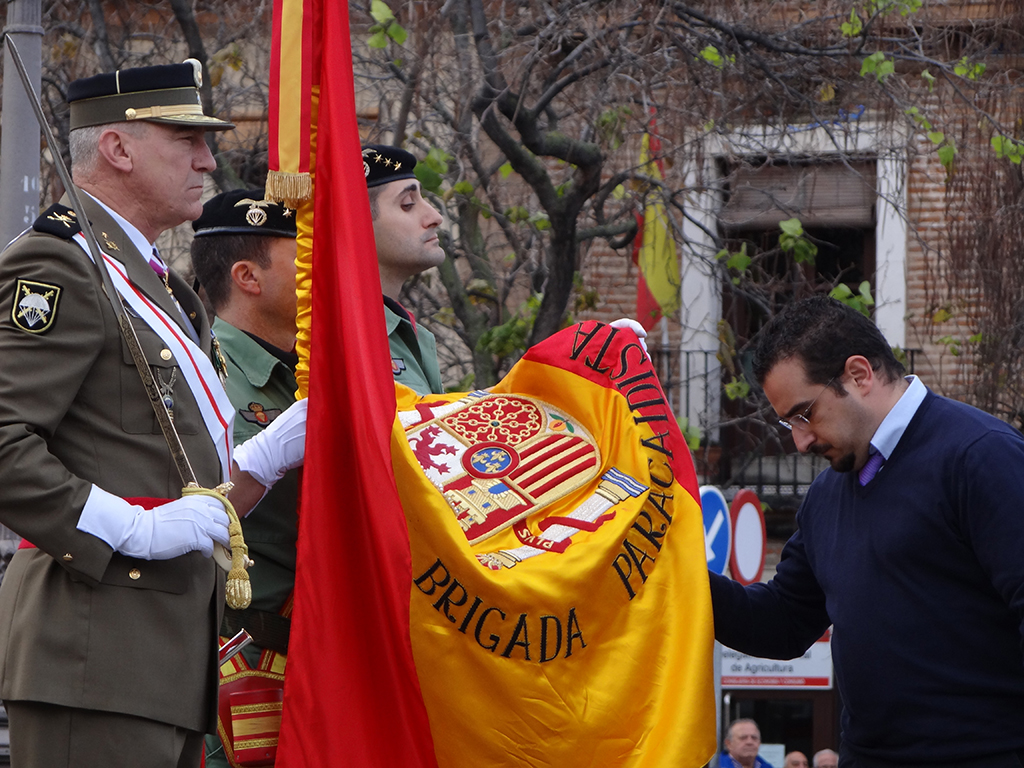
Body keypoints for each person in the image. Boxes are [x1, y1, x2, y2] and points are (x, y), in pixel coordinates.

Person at [0, 61, 236, 767]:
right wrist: (129, 525)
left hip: (156, 658)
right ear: (118, 148)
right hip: (93, 651)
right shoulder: (61, 265)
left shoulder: (154, 284)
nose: (208, 158)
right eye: (185, 138)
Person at [710, 296, 1024, 767]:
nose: (799, 441)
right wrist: (671, 577)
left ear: (859, 374)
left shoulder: (981, 456)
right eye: (787, 424)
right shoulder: (825, 496)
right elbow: (782, 623)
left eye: (804, 414)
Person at [189, 188, 299, 768]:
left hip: (324, 654)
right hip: (245, 656)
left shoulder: (312, 368)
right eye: (301, 260)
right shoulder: (201, 371)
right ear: (248, 278)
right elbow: (183, 505)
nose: (320, 273)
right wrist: (270, 452)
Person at [363, 143, 446, 395]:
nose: (434, 216)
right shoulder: (344, 339)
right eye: (408, 204)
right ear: (357, 223)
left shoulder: (404, 332)